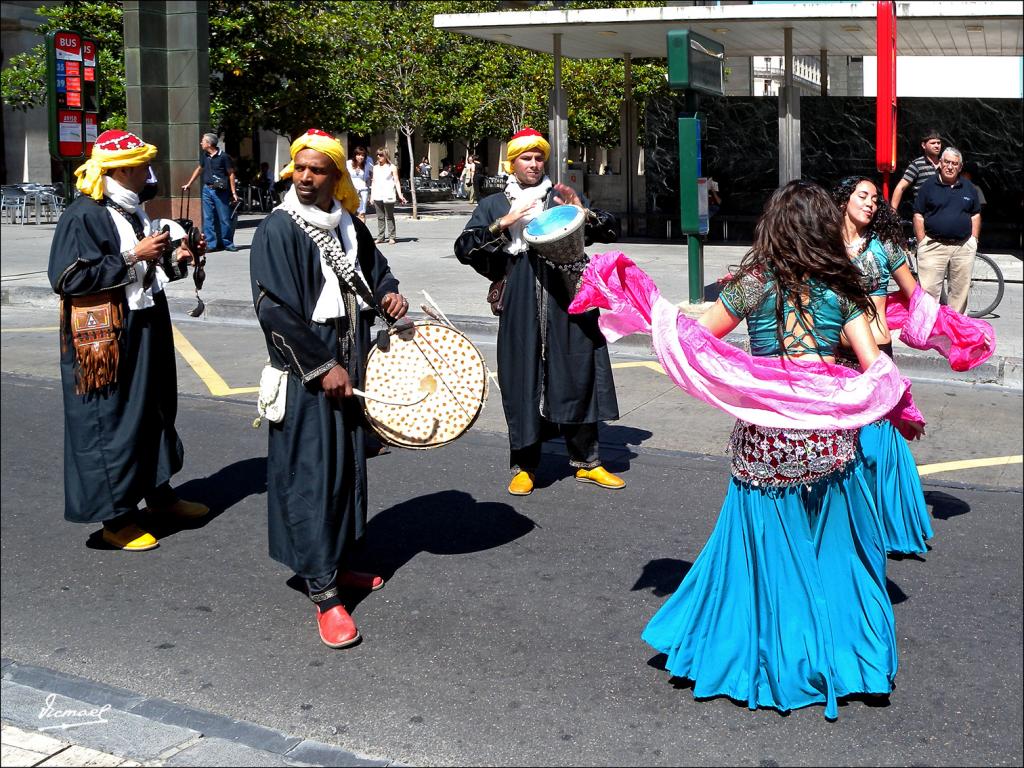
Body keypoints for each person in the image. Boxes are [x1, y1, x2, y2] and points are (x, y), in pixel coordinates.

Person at [612, 181, 902, 719]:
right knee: (836, 550)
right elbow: (874, 363)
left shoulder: (752, 283)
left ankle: (771, 656)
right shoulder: (844, 287)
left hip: (766, 439)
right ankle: (849, 661)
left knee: (765, 553)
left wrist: (655, 313)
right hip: (826, 436)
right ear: (822, 228)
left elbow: (699, 340)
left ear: (774, 226)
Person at [249, 129, 410, 649]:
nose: (305, 177)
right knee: (312, 477)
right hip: (308, 376)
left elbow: (376, 272)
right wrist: (320, 366)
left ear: (336, 177)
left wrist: (388, 296)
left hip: (351, 366)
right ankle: (324, 592)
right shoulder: (278, 229)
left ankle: (336, 564)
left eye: (317, 170)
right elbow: (273, 310)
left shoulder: (347, 225)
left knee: (347, 471)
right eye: (300, 167)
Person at [47, 129, 209, 551]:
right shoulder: (83, 215)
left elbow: (145, 271)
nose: (148, 173)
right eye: (141, 166)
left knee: (154, 406)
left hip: (145, 319)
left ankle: (159, 495)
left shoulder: (132, 209)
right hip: (106, 334)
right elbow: (67, 278)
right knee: (109, 418)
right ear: (119, 170)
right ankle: (115, 519)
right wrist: (134, 255)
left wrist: (177, 257)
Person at [454, 127, 622, 496]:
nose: (533, 164)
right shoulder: (495, 204)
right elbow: (464, 248)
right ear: (511, 163)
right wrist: (505, 223)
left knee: (579, 369)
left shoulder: (560, 198)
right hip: (519, 298)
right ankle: (524, 465)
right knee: (522, 376)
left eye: (538, 157)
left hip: (569, 296)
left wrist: (585, 214)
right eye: (525, 158)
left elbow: (612, 229)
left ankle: (588, 462)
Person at [833, 176, 931, 554]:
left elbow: (915, 294)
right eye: (864, 195)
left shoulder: (886, 246)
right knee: (843, 440)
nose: (871, 203)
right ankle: (851, 527)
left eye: (876, 199)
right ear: (844, 200)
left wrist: (947, 328)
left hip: (876, 350)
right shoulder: (826, 245)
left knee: (875, 446)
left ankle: (887, 527)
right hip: (837, 353)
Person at [913, 147, 982, 313]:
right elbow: (918, 215)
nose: (950, 166)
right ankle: (927, 330)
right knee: (928, 292)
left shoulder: (969, 187)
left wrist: (974, 240)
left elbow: (975, 215)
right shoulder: (928, 186)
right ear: (940, 163)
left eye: (954, 163)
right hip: (933, 245)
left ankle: (955, 328)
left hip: (963, 246)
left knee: (959, 292)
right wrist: (922, 241)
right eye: (947, 162)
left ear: (960, 167)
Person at [181, 133, 240, 252]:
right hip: (207, 189)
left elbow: (231, 173)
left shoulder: (224, 157)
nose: (201, 143)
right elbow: (199, 169)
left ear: (209, 144)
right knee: (208, 218)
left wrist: (233, 192)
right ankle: (211, 244)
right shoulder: (205, 156)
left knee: (224, 217)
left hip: (220, 191)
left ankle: (227, 243)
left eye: (203, 141)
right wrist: (189, 183)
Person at [889, 128, 943, 212]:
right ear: (924, 145)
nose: (937, 146)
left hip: (943, 212)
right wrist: (892, 211)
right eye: (933, 143)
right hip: (924, 214)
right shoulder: (917, 164)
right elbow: (900, 187)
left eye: (938, 143)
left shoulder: (945, 165)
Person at [369, 147, 405, 244]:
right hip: (377, 194)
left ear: (386, 156)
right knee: (380, 217)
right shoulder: (375, 167)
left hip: (388, 193)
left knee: (389, 216)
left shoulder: (392, 167)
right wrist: (371, 196)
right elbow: (374, 182)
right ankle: (380, 237)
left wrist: (400, 195)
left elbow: (396, 181)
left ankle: (392, 236)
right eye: (377, 155)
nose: (378, 156)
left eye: (381, 155)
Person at [346, 145, 371, 223]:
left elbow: (370, 178)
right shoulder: (348, 163)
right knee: (350, 212)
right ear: (355, 155)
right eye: (359, 155)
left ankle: (362, 233)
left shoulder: (367, 164)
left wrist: (370, 191)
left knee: (362, 213)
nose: (361, 157)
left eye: (363, 155)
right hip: (351, 190)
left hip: (363, 190)